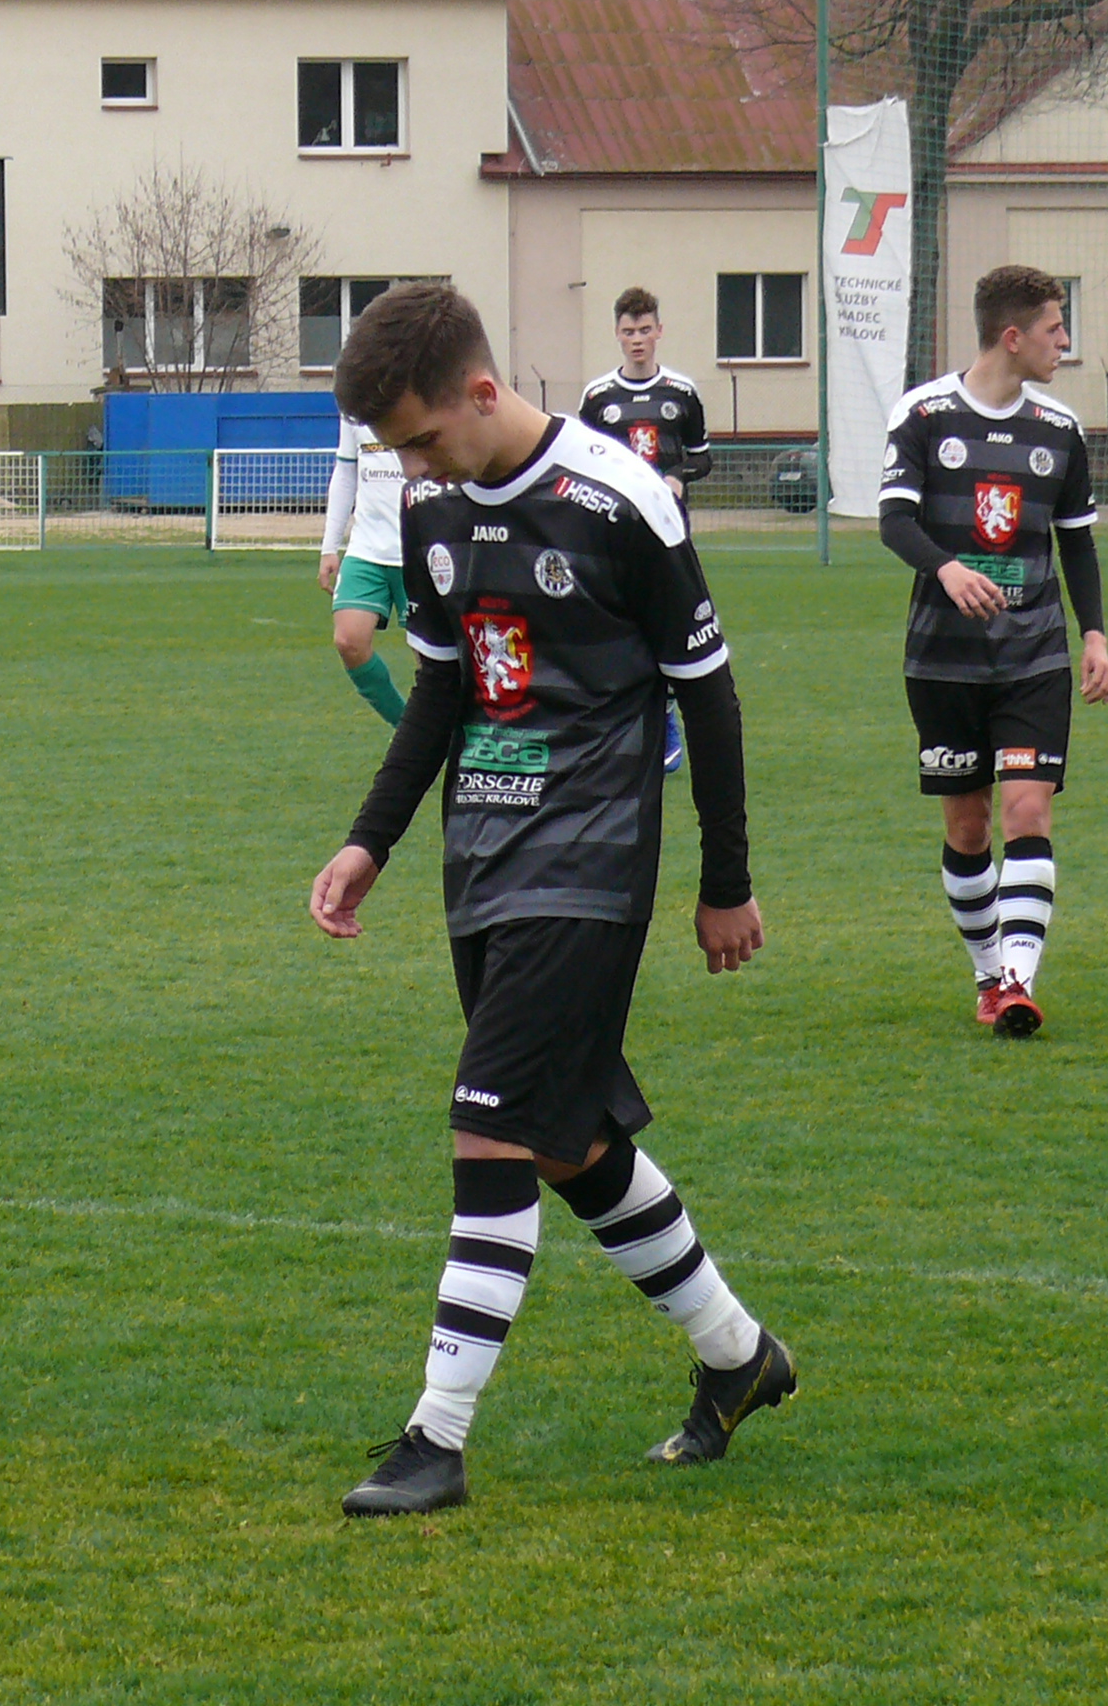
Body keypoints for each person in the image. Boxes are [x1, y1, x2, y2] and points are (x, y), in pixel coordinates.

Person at [309, 283, 794, 1518]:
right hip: (481, 853)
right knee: (564, 1139)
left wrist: (724, 880)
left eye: (422, 439)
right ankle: (739, 1355)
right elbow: (441, 692)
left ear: (482, 392)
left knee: (487, 1124)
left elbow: (709, 693)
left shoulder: (619, 499)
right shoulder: (428, 504)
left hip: (591, 856)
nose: (413, 467)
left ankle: (435, 1437)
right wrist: (370, 840)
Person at [879, 264, 1108, 1038]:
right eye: (1054, 327)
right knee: (968, 829)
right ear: (1012, 337)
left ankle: (1017, 980)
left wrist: (1094, 635)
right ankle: (987, 973)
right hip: (942, 659)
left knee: (1027, 808)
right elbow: (894, 521)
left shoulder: (1060, 429)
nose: (1064, 341)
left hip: (1033, 653)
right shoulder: (923, 414)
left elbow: (1076, 544)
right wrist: (946, 569)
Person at [578, 288, 711, 772]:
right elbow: (582, 460)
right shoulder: (598, 398)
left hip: (668, 532)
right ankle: (617, 721)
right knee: (614, 623)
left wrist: (677, 475)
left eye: (645, 329)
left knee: (671, 622)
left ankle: (667, 717)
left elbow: (703, 458)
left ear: (659, 331)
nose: (637, 339)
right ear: (617, 334)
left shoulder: (681, 393)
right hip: (613, 534)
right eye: (629, 331)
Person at [318, 414, 411, 726]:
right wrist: (330, 546)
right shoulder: (352, 406)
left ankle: (449, 738)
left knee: (433, 663)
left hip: (419, 549)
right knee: (349, 640)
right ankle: (408, 730)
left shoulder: (421, 391)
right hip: (366, 548)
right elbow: (346, 474)